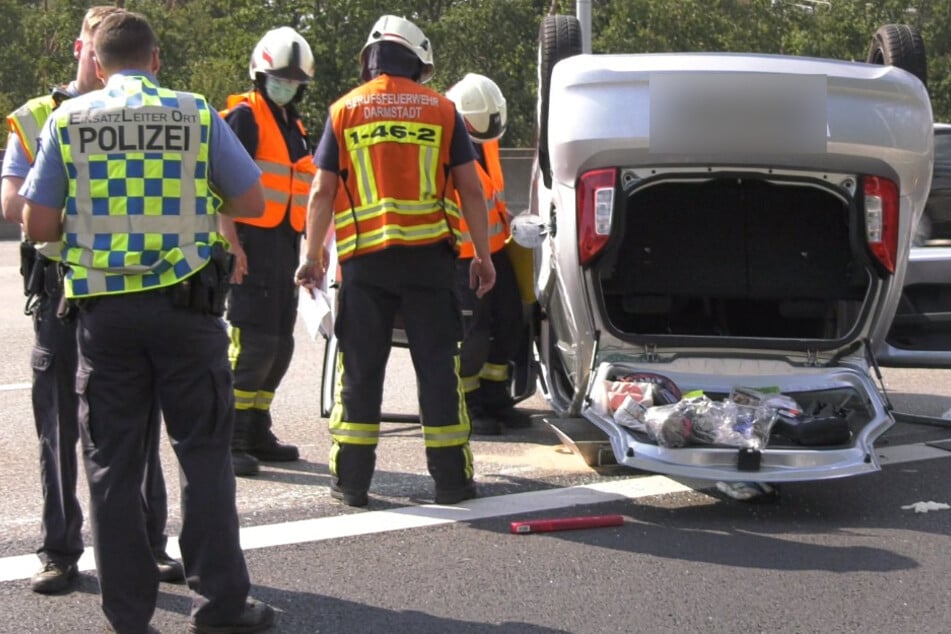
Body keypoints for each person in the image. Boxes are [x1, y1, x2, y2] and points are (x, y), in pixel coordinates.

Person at [19, 11, 274, 633]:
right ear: (156, 59)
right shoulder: (194, 112)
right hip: (188, 315)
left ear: (98, 65)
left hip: (104, 321)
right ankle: (220, 606)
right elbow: (252, 202)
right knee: (204, 457)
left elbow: (37, 226)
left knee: (111, 466)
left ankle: (128, 616)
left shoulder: (67, 119)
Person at [0, 5, 183, 595]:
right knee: (58, 427)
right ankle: (59, 551)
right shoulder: (37, 118)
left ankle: (147, 545)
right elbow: (11, 205)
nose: (94, 51)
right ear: (81, 47)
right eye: (89, 40)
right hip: (60, 291)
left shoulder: (150, 110)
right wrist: (84, 215)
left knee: (137, 424)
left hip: (127, 285)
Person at [295, 14, 496, 508]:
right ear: (418, 62)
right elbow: (471, 187)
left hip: (365, 265)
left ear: (370, 60)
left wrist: (312, 255)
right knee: (438, 369)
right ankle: (451, 482)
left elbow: (322, 190)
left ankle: (353, 483)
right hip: (431, 262)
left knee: (361, 370)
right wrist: (484, 256)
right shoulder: (442, 110)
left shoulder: (344, 110)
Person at [218, 27, 316, 477]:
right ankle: (231, 435)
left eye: (295, 79)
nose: (288, 84)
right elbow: (218, 182)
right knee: (252, 344)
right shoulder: (244, 116)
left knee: (279, 344)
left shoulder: (292, 123)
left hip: (282, 242)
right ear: (261, 73)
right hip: (250, 242)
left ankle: (257, 426)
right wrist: (231, 243)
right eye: (281, 76)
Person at [446, 73, 525, 436]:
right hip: (460, 255)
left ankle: (495, 395)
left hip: (492, 248)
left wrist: (505, 217)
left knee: (509, 320)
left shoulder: (485, 139)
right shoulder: (443, 143)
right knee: (471, 335)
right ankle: (466, 402)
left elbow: (488, 191)